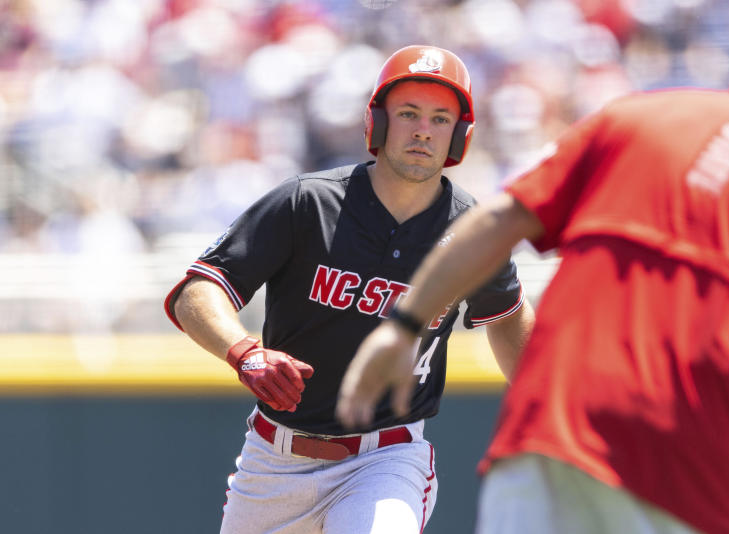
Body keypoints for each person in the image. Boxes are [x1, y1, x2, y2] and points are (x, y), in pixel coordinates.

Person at [336, 12, 729, 534]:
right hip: (688, 476)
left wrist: (404, 325)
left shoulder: (637, 117)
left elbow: (501, 217)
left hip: (544, 443)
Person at [164, 45, 534, 534]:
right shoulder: (308, 202)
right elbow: (199, 290)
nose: (423, 129)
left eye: (441, 118)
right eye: (408, 113)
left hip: (384, 457)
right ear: (377, 123)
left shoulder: (472, 232)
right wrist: (243, 353)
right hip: (273, 460)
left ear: (459, 135)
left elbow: (509, 322)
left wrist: (556, 412)